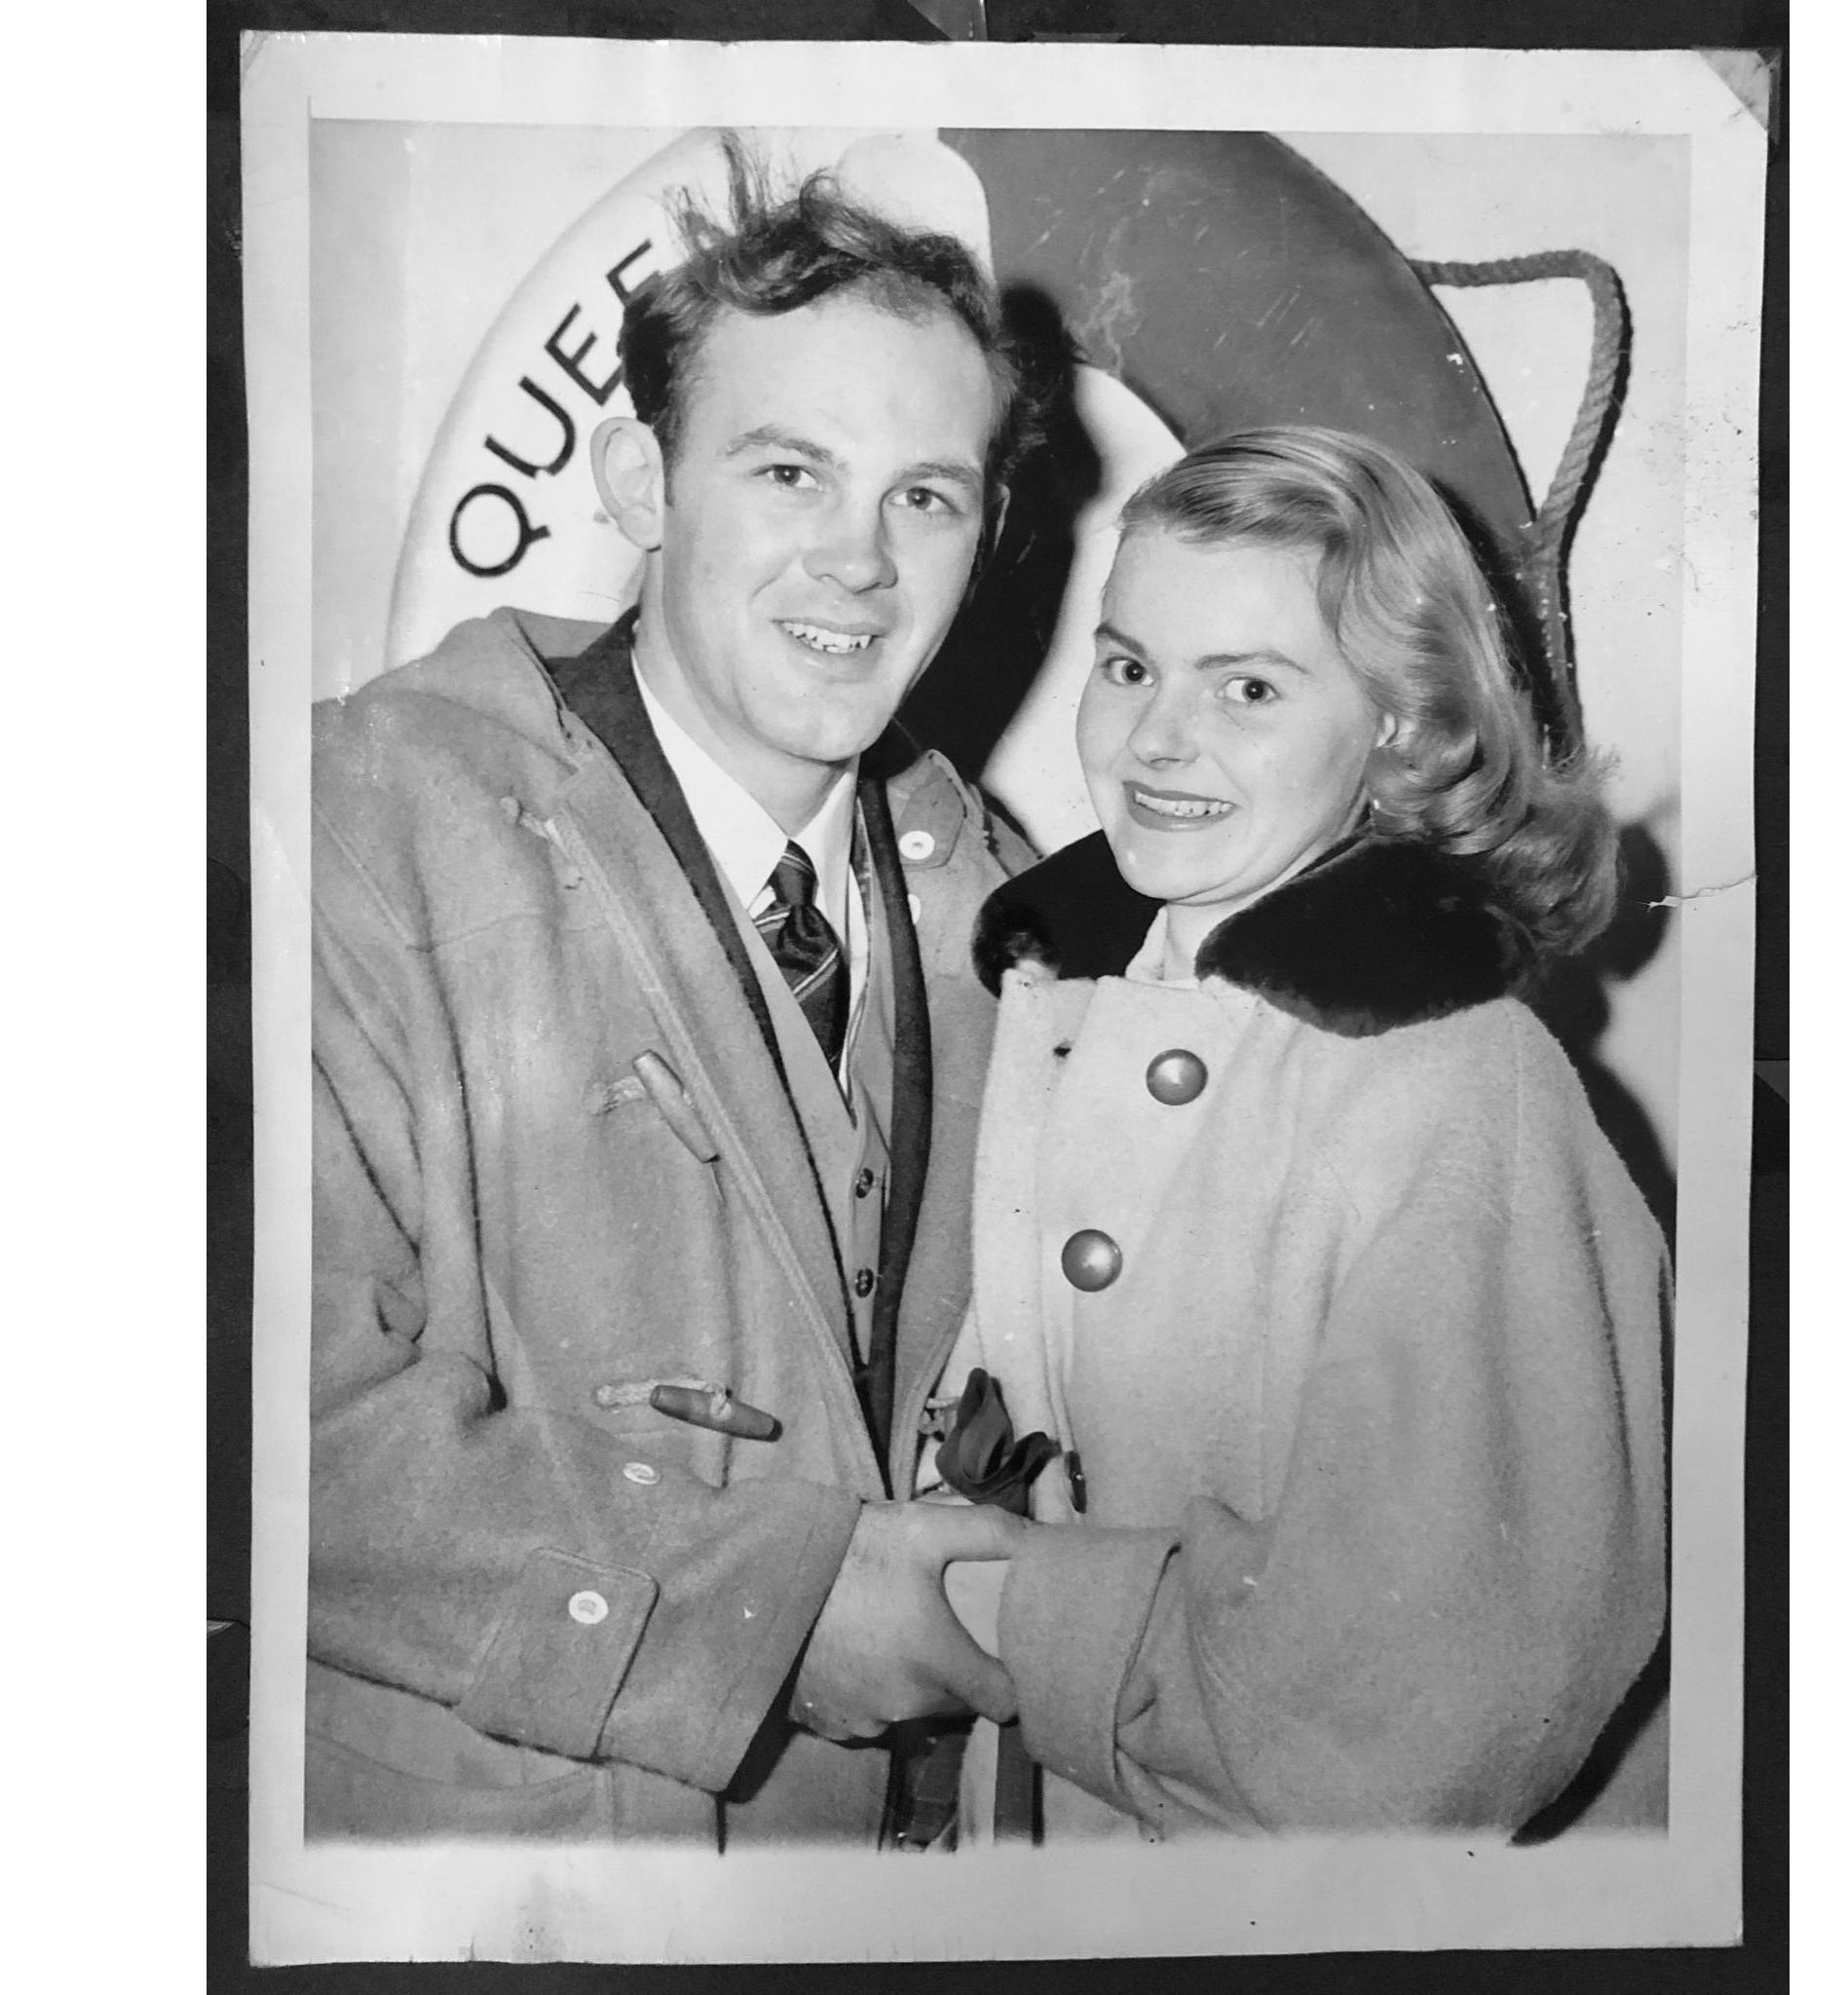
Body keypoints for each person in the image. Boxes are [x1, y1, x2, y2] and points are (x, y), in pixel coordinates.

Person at [306, 149, 1047, 1845]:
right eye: (791, 471)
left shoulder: (1008, 900)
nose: (857, 564)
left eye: (924, 497)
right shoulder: (357, 823)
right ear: (641, 480)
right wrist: (767, 1611)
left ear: (986, 534)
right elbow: (245, 1433)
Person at [935, 426, 1670, 1839]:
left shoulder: (1458, 1086)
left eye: (1249, 688)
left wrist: (990, 1606)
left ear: (1400, 725)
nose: (1156, 739)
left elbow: (1396, 1731)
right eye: (1130, 664)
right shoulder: (1067, 990)